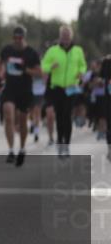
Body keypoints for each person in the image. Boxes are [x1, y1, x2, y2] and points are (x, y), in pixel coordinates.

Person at [0, 25, 42, 167]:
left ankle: (22, 148)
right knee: (8, 115)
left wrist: (25, 69)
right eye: (15, 37)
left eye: (20, 37)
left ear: (24, 37)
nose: (17, 40)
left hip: (25, 90)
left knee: (23, 121)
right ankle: (11, 150)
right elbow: (0, 63)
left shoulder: (31, 53)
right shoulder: (7, 50)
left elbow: (39, 72)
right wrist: (0, 76)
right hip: (10, 88)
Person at [40, 25, 88, 158]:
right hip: (57, 88)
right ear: (60, 36)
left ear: (71, 36)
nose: (65, 38)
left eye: (67, 35)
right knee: (60, 116)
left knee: (67, 116)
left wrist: (81, 72)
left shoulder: (78, 51)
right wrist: (51, 66)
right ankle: (60, 142)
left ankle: (66, 145)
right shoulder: (53, 51)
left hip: (71, 88)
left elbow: (83, 65)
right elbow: (43, 65)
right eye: (63, 35)